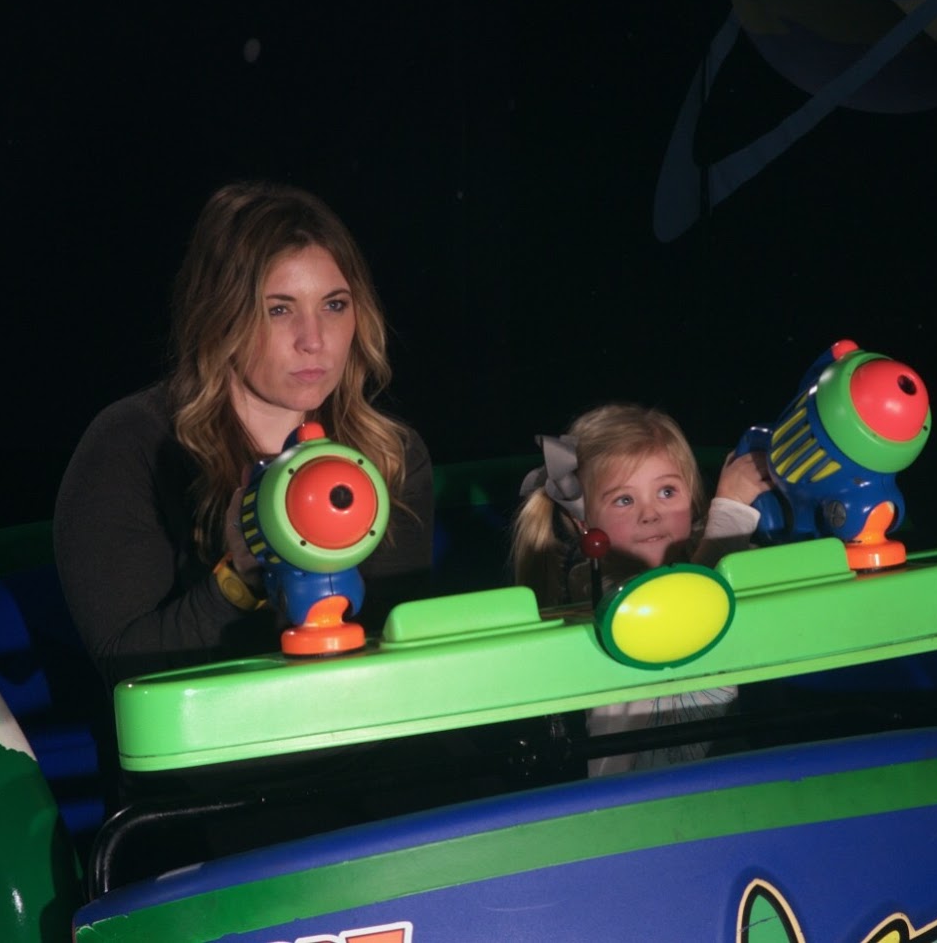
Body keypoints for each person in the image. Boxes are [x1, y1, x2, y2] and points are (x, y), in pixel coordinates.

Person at [55, 181, 434, 689]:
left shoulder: (388, 455)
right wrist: (239, 576)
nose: (314, 340)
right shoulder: (132, 446)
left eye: (334, 305)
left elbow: (399, 662)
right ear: (220, 317)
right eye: (278, 309)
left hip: (363, 731)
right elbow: (128, 669)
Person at [511, 403, 769, 775]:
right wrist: (732, 515)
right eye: (624, 500)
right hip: (633, 792)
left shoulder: (702, 554)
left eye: (667, 492)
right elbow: (680, 607)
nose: (650, 514)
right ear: (584, 523)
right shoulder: (593, 586)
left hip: (725, 776)